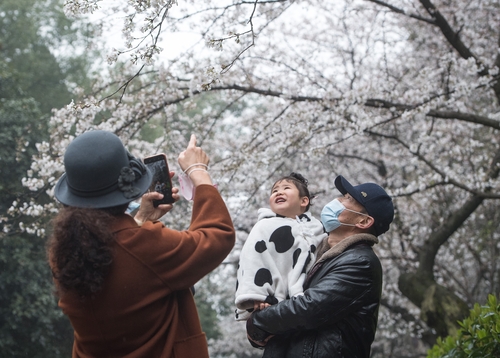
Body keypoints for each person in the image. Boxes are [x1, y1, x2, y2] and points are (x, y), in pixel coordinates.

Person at [47, 130, 235, 358]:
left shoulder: (64, 253)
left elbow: (119, 253)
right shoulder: (145, 246)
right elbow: (218, 235)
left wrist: (139, 219)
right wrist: (198, 172)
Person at [246, 175, 394, 358]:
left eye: (348, 199)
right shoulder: (309, 251)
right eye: (342, 195)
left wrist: (258, 321)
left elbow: (307, 308)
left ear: (363, 222)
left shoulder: (361, 262)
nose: (337, 200)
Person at [235, 173, 326, 321]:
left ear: (304, 201)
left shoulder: (315, 227)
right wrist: (258, 295)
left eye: (286, 188)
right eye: (275, 191)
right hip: (271, 300)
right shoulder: (264, 226)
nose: (279, 192)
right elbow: (252, 260)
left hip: (306, 298)